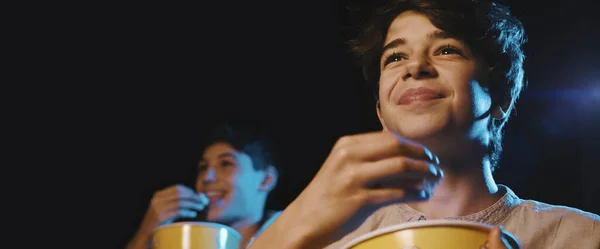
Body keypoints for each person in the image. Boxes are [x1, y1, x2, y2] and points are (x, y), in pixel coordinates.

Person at [248, 1, 600, 249]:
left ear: (500, 99)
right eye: (395, 57)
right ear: (381, 113)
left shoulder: (583, 236)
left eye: (446, 49)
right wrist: (291, 227)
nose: (414, 67)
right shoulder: (332, 239)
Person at [126, 120, 282, 249]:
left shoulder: (292, 231)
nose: (207, 177)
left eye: (226, 164)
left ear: (266, 180)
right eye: (203, 167)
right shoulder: (182, 240)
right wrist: (144, 234)